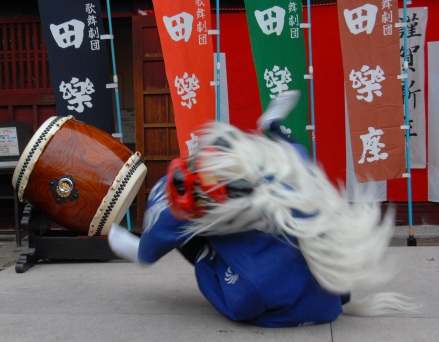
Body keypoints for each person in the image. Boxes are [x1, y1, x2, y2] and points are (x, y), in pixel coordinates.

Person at [108, 91, 419, 328]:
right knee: (291, 160)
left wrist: (202, 256)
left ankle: (164, 244)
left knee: (186, 223)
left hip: (280, 305)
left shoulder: (254, 287)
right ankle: (270, 126)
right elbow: (295, 153)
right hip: (323, 290)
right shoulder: (285, 178)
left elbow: (241, 305)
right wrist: (272, 130)